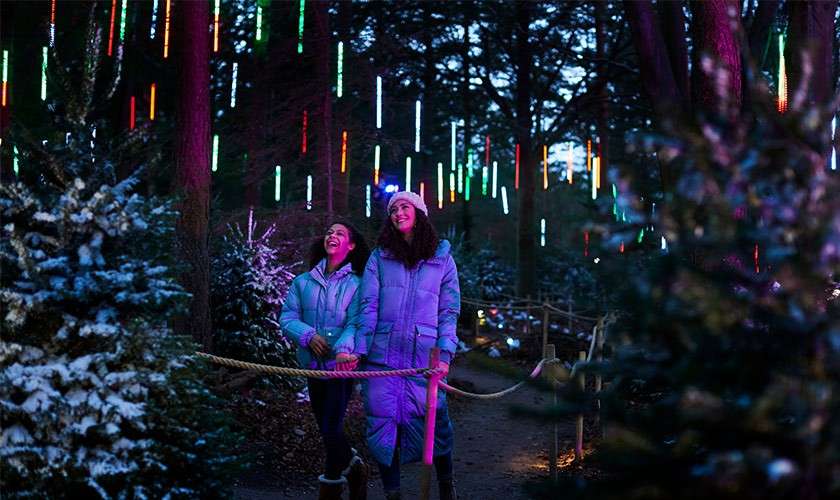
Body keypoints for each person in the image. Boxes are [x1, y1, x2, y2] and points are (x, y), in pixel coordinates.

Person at [354, 191, 461, 500]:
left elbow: (449, 310)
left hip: (425, 359)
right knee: (382, 427)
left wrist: (445, 354)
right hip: (382, 358)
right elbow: (367, 305)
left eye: (405, 207)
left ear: (418, 213)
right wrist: (360, 349)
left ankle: (446, 485)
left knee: (436, 425)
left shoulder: (442, 258)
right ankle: (393, 494)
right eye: (393, 209)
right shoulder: (380, 257)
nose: (398, 213)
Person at [280, 221, 371, 500]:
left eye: (340, 233)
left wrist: (343, 349)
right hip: (312, 367)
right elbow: (287, 317)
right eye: (330, 232)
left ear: (351, 245)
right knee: (326, 429)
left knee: (331, 428)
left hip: (341, 368)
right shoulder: (302, 282)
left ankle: (333, 485)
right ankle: (353, 469)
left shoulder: (357, 284)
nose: (332, 235)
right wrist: (307, 335)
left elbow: (356, 322)